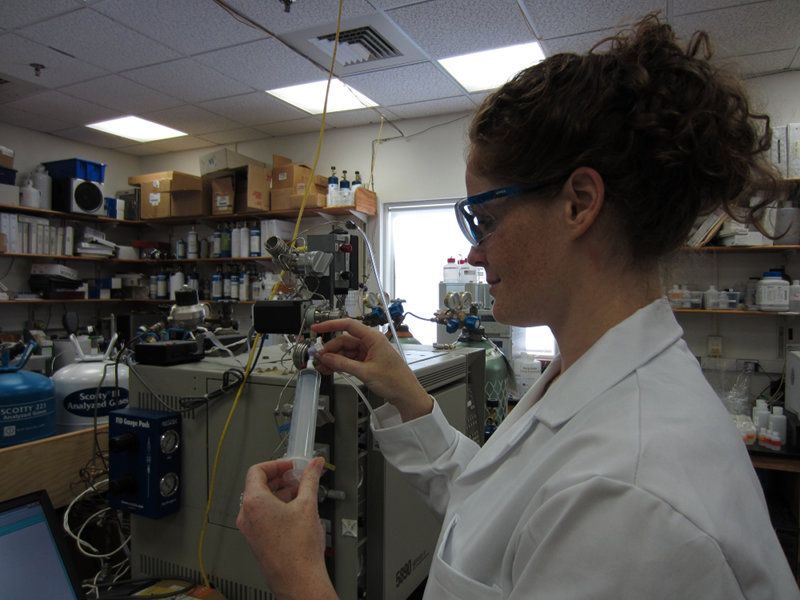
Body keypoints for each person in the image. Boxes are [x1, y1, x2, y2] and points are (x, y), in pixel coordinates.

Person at [237, 13, 800, 599]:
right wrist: (405, 393)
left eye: (485, 219)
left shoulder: (631, 492)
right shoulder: (588, 380)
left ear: (578, 204)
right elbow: (495, 508)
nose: (474, 253)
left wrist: (295, 574)